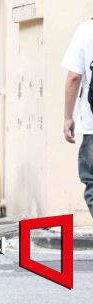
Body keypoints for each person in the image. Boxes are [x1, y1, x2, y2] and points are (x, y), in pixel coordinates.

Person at [63, 18, 93, 216]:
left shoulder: (86, 30)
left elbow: (74, 77)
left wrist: (68, 117)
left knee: (92, 181)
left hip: (92, 126)